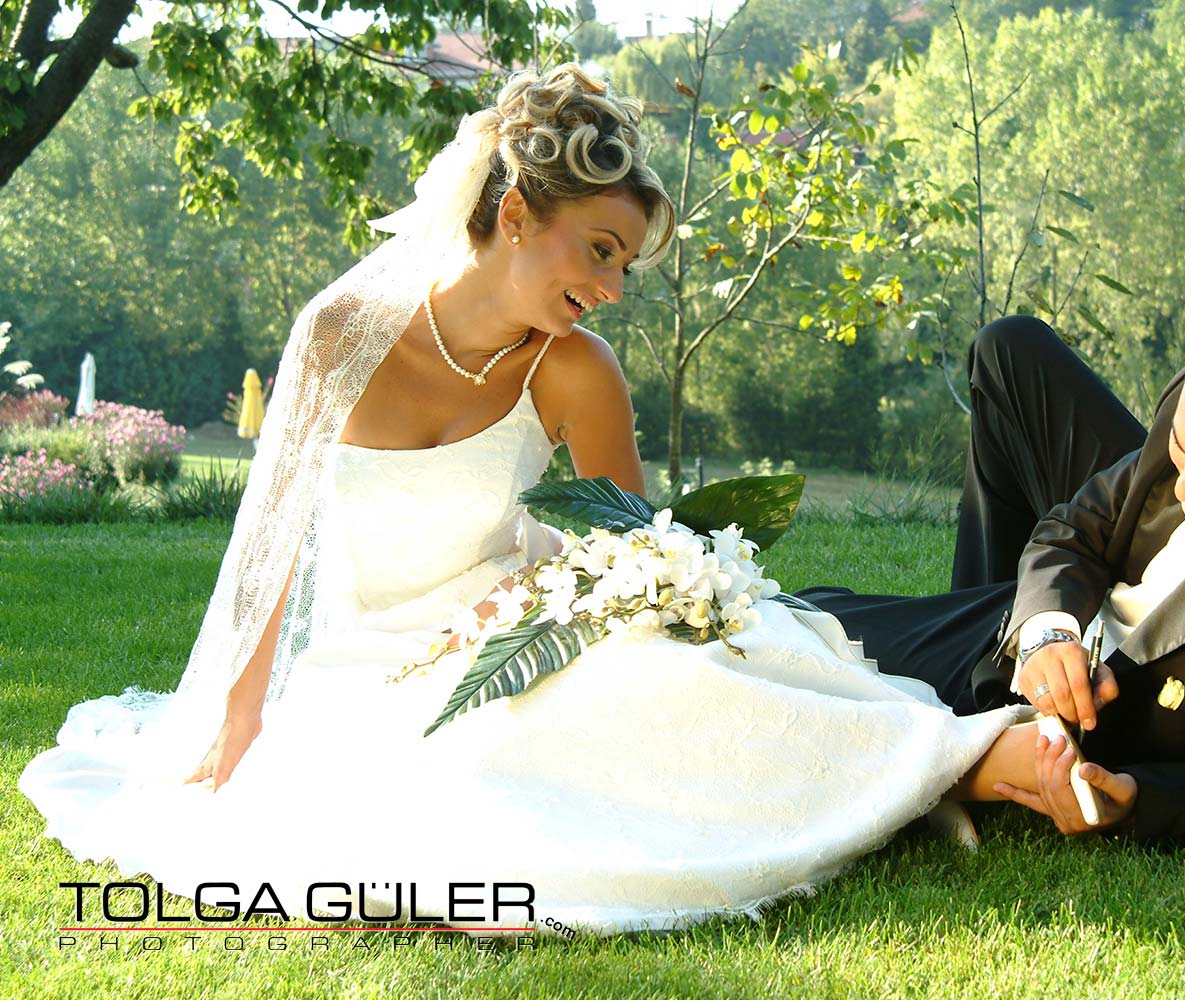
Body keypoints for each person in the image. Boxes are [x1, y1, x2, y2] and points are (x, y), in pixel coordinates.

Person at [21, 64, 1047, 936]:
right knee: (457, 778)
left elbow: (635, 552)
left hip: (518, 620)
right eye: (600, 250)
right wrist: (240, 716)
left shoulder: (575, 368)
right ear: (514, 215)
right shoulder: (338, 335)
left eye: (624, 265)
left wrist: (566, 608)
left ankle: (938, 764)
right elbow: (268, 545)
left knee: (661, 674)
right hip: (374, 659)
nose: (612, 287)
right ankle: (915, 781)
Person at [803, 297, 1185, 841]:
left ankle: (979, 702)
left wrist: (1137, 801)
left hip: (1104, 702)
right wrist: (1046, 629)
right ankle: (997, 645)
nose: (1184, 488)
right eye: (1182, 450)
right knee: (1010, 346)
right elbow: (1077, 527)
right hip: (1053, 618)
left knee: (802, 651)